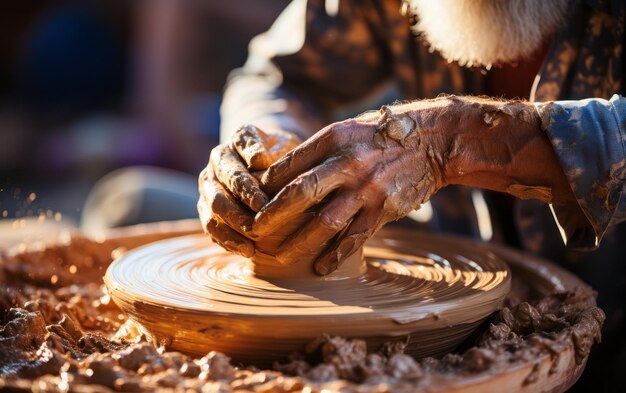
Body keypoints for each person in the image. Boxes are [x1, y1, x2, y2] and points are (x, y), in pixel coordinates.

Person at [198, 0, 626, 390]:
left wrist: (452, 137)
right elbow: (279, 77)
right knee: (137, 196)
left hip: (613, 334)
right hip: (436, 303)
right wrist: (270, 153)